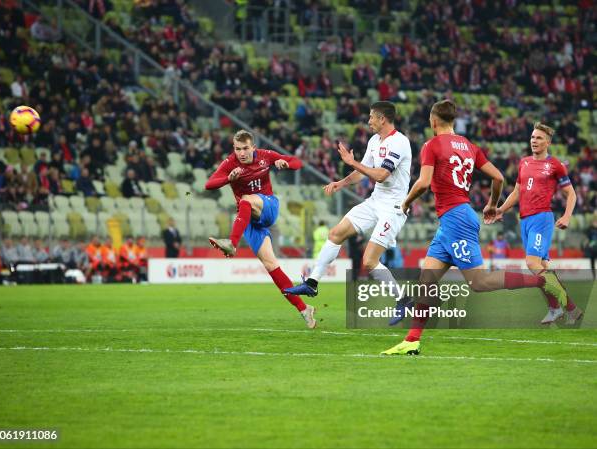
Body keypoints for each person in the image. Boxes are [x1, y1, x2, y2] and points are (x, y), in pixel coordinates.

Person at [381, 100, 570, 356]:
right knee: (426, 281)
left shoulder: (432, 145)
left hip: (456, 218)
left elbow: (424, 182)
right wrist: (492, 204)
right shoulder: (469, 146)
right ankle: (412, 340)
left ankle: (541, 281)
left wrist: (405, 203)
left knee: (479, 283)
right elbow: (499, 177)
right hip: (452, 220)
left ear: (433, 121)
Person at [285, 102, 412, 311]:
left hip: (394, 207)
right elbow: (362, 172)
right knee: (336, 233)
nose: (369, 121)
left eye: (372, 117)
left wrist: (353, 162)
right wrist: (340, 183)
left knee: (369, 261)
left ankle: (404, 300)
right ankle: (312, 283)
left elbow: (381, 175)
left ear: (382, 119)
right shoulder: (374, 141)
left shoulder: (399, 142)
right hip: (375, 201)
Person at [205, 130, 316, 328]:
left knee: (246, 199)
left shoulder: (266, 156)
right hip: (248, 219)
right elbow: (209, 184)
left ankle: (232, 243)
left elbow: (297, 162)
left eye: (246, 148)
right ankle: (304, 309)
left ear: (253, 147)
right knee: (271, 265)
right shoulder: (230, 163)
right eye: (238, 149)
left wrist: (286, 164)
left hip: (268, 207)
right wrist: (228, 178)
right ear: (234, 149)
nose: (242, 153)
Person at [490, 122, 582, 324]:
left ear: (548, 142)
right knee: (544, 266)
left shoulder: (556, 165)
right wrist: (501, 210)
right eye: (532, 137)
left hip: (542, 218)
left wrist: (567, 216)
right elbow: (516, 192)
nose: (534, 140)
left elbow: (571, 194)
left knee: (532, 263)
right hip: (525, 220)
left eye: (539, 138)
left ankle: (569, 307)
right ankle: (559, 309)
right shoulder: (523, 163)